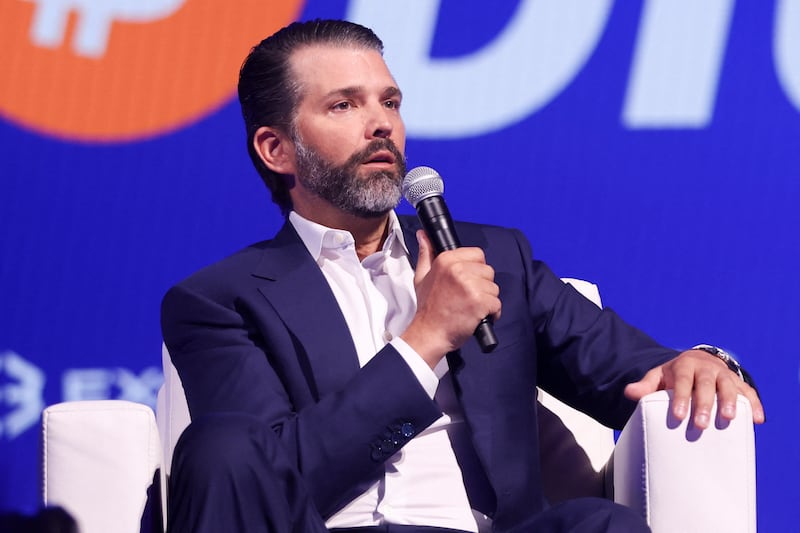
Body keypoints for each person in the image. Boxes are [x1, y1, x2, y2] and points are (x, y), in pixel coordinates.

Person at [160, 19, 764, 533]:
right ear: (276, 149)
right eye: (344, 104)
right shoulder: (221, 299)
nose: (381, 125)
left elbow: (635, 370)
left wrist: (707, 362)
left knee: (600, 525)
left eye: (389, 102)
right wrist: (426, 338)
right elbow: (260, 483)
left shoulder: (491, 258)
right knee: (220, 447)